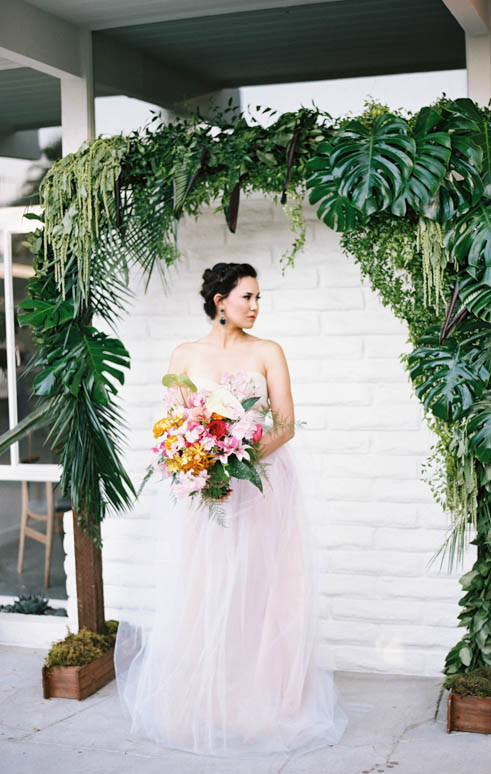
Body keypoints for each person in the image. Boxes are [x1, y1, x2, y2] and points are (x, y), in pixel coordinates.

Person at [113, 261, 349, 759]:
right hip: (206, 495)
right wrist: (204, 467)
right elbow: (175, 426)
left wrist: (233, 460)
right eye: (248, 297)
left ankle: (262, 701)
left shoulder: (268, 352)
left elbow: (284, 424)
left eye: (259, 298)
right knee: (205, 588)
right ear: (220, 301)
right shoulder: (184, 354)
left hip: (261, 487)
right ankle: (208, 701)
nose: (256, 307)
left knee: (262, 590)